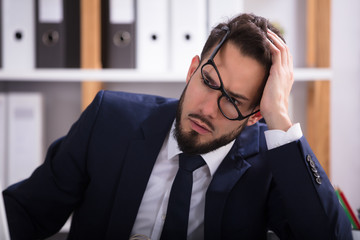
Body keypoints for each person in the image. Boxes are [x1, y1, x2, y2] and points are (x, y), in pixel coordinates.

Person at [3, 13, 352, 240]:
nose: (206, 109)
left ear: (255, 115)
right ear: (192, 70)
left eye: (232, 102)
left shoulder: (269, 159)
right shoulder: (109, 120)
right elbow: (24, 213)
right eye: (209, 81)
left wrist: (279, 114)